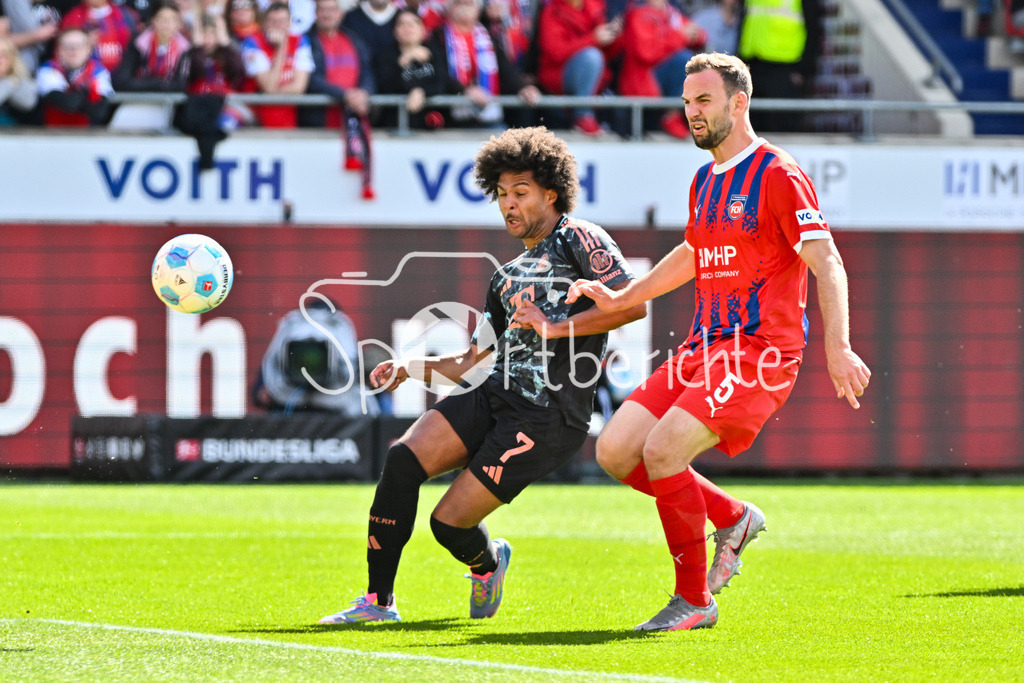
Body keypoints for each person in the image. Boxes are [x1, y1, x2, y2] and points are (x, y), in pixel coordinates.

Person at [567, 52, 870, 631]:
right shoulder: (705, 178)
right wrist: (626, 297)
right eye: (686, 103)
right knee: (615, 449)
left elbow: (826, 259)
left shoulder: (778, 174)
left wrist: (839, 347)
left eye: (703, 101)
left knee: (662, 451)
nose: (691, 113)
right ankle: (732, 517)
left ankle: (694, 601)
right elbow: (693, 252)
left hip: (760, 351)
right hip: (703, 347)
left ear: (739, 102)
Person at [317, 125, 646, 624]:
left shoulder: (579, 238)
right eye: (501, 195)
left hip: (547, 417)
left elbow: (633, 305)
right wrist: (411, 367)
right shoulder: (504, 275)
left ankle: (487, 563)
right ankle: (377, 603)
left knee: (447, 525)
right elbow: (473, 360)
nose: (509, 205)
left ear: (551, 193)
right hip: (495, 394)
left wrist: (556, 328)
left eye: (521, 193)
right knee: (402, 461)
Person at [253, 297, 380, 417]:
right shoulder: (279, 358)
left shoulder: (349, 360)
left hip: (337, 412)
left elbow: (361, 380)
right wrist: (266, 392)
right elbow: (260, 393)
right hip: (288, 412)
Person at [429, 0, 539, 128]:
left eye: (469, 3)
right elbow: (438, 73)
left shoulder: (487, 35)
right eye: (459, 3)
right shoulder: (438, 36)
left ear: (478, 9)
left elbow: (505, 69)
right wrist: (465, 91)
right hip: (451, 117)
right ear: (450, 8)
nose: (464, 7)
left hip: (488, 116)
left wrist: (523, 87)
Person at [617, 0, 705, 139]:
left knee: (696, 62)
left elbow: (700, 36)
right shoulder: (638, 14)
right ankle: (671, 114)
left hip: (657, 80)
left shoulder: (671, 13)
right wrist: (679, 36)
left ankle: (674, 115)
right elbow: (646, 53)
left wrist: (693, 34)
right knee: (684, 59)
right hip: (643, 83)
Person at [534, 0, 620, 136]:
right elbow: (555, 52)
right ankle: (583, 115)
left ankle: (586, 116)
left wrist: (616, 35)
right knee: (592, 56)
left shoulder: (595, 9)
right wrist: (593, 38)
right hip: (558, 78)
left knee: (594, 57)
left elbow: (608, 53)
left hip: (595, 83)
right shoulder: (551, 12)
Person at [736, 0, 820, 132]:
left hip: (783, 68)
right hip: (752, 65)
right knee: (751, 129)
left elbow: (813, 28)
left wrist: (803, 69)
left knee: (780, 128)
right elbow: (745, 22)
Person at [299, 0, 372, 128]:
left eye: (332, 10)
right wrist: (345, 95)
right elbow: (310, 79)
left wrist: (364, 92)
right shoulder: (304, 41)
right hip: (319, 121)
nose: (327, 15)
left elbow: (367, 71)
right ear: (315, 13)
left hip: (354, 118)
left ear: (340, 14)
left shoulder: (354, 39)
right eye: (322, 10)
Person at [240, 0, 313, 127]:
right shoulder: (251, 42)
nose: (277, 26)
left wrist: (273, 91)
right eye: (272, 21)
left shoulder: (301, 41)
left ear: (290, 23)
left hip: (290, 118)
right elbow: (268, 86)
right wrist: (281, 48)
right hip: (257, 121)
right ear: (264, 23)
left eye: (282, 21)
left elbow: (299, 88)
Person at [376, 7, 444, 128]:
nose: (408, 28)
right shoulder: (385, 55)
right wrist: (404, 61)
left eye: (414, 23)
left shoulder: (434, 52)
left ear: (423, 29)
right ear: (394, 31)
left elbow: (442, 82)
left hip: (432, 126)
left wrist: (421, 91)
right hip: (394, 126)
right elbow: (385, 87)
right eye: (402, 24)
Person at [36, 26, 114, 125]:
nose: (73, 50)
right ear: (58, 50)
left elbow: (99, 112)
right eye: (67, 46)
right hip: (51, 133)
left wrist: (74, 94)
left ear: (88, 49)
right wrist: (85, 91)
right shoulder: (48, 69)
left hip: (87, 134)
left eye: (79, 45)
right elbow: (67, 104)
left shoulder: (99, 71)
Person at [112, 2, 189, 92]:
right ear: (153, 20)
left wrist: (145, 83)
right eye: (162, 19)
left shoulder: (185, 48)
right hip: (138, 99)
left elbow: (181, 85)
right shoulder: (138, 43)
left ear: (178, 24)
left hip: (172, 102)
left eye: (172, 20)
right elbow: (122, 81)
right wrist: (160, 84)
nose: (167, 24)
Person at [59, 0, 137, 73]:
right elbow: (61, 55)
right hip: (86, 78)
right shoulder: (72, 18)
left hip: (122, 76)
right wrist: (83, 43)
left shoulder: (127, 15)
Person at [0, 35, 37, 124]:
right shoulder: (12, 82)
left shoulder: (24, 79)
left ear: (12, 58)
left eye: (4, 54)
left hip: (18, 135)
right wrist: (9, 83)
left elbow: (28, 103)